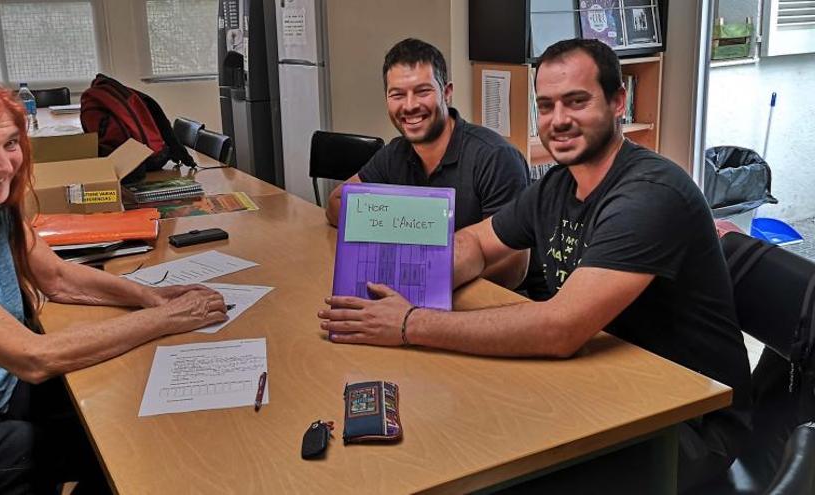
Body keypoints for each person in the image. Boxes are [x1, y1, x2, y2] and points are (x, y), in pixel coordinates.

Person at [319, 39, 752, 492]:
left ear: (618, 101)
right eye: (546, 105)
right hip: (601, 388)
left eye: (577, 101)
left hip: (683, 426)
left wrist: (409, 323)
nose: (558, 119)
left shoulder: (649, 194)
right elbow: (476, 245)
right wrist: (407, 288)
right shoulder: (556, 187)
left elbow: (560, 328)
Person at [0, 74, 228, 494]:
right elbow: (32, 357)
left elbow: (57, 277)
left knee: (127, 406)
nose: (2, 165)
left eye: (10, 144)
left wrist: (150, 296)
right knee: (119, 450)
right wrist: (167, 318)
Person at [325, 38, 531, 288]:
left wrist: (428, 274)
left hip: (485, 300)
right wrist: (398, 228)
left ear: (447, 92)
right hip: (411, 287)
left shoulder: (495, 157)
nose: (410, 105)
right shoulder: (396, 152)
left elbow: (514, 265)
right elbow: (337, 203)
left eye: (423, 91)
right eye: (397, 95)